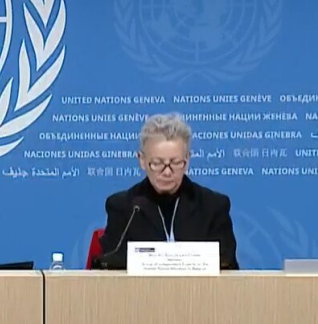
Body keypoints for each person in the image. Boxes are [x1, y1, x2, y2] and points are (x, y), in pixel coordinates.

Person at [97, 112, 238, 269]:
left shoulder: (213, 206)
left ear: (187, 160)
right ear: (142, 160)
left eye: (176, 162)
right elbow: (109, 265)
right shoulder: (123, 208)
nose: (167, 172)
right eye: (157, 163)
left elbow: (228, 267)